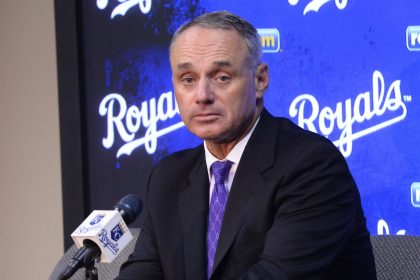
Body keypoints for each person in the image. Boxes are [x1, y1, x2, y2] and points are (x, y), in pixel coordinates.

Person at [117, 11, 376, 280]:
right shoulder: (169, 177)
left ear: (260, 79)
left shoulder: (312, 166)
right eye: (188, 80)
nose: (202, 96)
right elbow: (142, 273)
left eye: (222, 77)